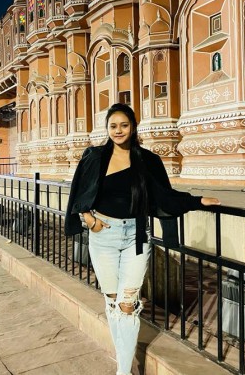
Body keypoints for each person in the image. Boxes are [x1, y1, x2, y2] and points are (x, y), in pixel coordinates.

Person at [65, 103, 220, 375]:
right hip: (103, 236)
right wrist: (88, 219)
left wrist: (197, 201)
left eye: (124, 125)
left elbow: (165, 196)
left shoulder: (147, 160)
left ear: (133, 127)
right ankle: (123, 363)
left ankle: (123, 371)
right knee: (113, 302)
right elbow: (79, 191)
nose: (118, 131)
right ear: (107, 128)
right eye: (113, 126)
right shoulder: (95, 157)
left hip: (136, 237)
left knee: (127, 305)